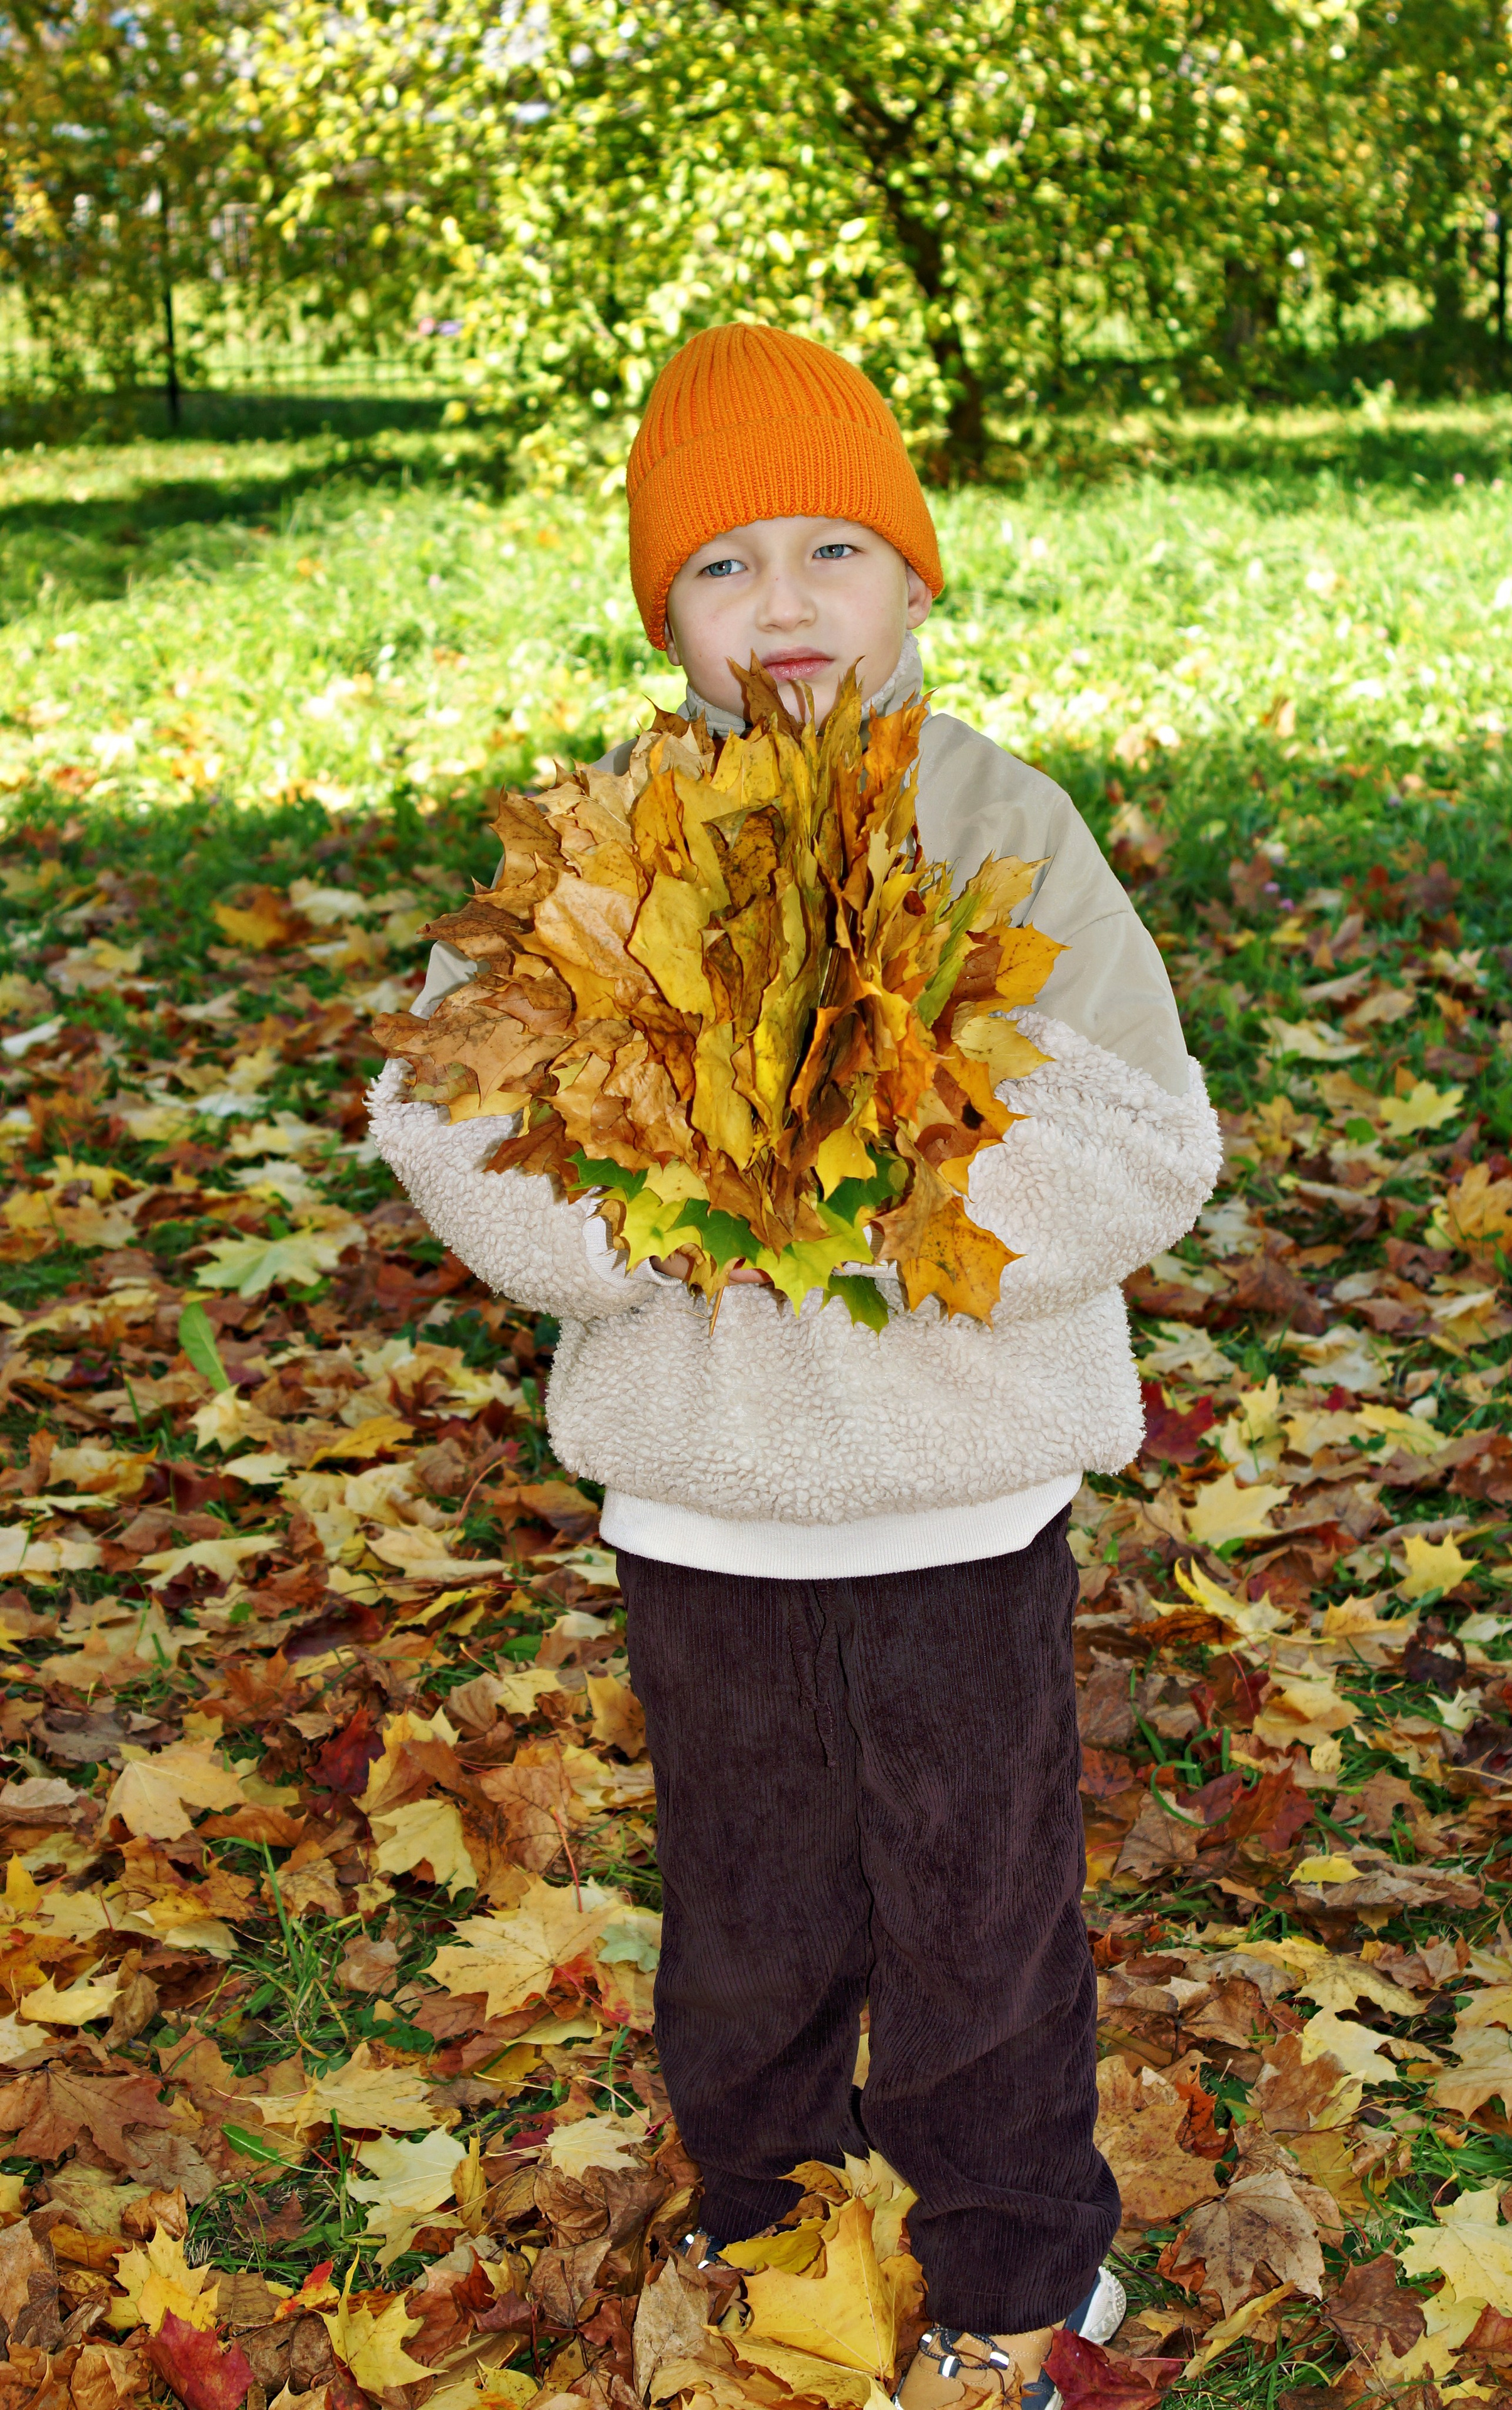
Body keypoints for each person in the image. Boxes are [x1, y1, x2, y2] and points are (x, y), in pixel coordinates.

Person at [370, 323, 1221, 2410]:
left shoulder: (1002, 827)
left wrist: (873, 1188)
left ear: (918, 581)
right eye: (724, 565)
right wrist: (666, 1209)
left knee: (977, 1913)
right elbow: (449, 1116)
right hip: (708, 1500)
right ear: (665, 611)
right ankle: (776, 2225)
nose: (784, 605)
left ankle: (1023, 2266)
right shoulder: (611, 841)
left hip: (964, 1489)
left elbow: (1143, 1140)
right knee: (747, 1919)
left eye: (833, 550)